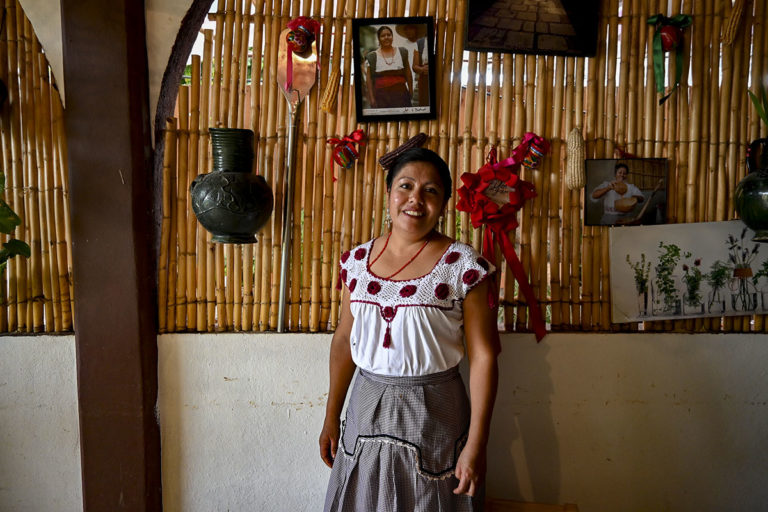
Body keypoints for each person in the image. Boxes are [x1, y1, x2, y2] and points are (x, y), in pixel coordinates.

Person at [319, 148, 501, 511]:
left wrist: (477, 445)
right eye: (405, 186)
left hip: (434, 414)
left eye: (430, 191)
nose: (415, 199)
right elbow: (343, 340)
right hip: (364, 408)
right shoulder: (356, 263)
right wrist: (330, 416)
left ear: (444, 203)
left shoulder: (463, 265)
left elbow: (484, 356)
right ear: (388, 194)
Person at [364, 26, 414, 109]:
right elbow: (369, 79)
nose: (386, 37)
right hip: (381, 97)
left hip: (401, 95)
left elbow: (408, 73)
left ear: (392, 37)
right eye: (383, 36)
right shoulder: (372, 56)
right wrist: (372, 98)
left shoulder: (402, 52)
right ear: (379, 39)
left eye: (389, 35)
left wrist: (411, 91)